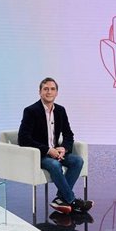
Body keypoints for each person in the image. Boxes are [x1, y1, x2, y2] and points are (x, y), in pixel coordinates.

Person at [18, 77, 93, 214]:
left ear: (56, 92)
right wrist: (48, 150)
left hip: (57, 152)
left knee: (77, 161)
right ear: (40, 92)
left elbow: (69, 134)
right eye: (45, 89)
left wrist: (64, 148)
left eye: (52, 89)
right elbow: (23, 139)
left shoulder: (60, 110)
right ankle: (72, 200)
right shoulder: (31, 111)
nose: (49, 92)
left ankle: (60, 199)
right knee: (54, 165)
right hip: (39, 154)